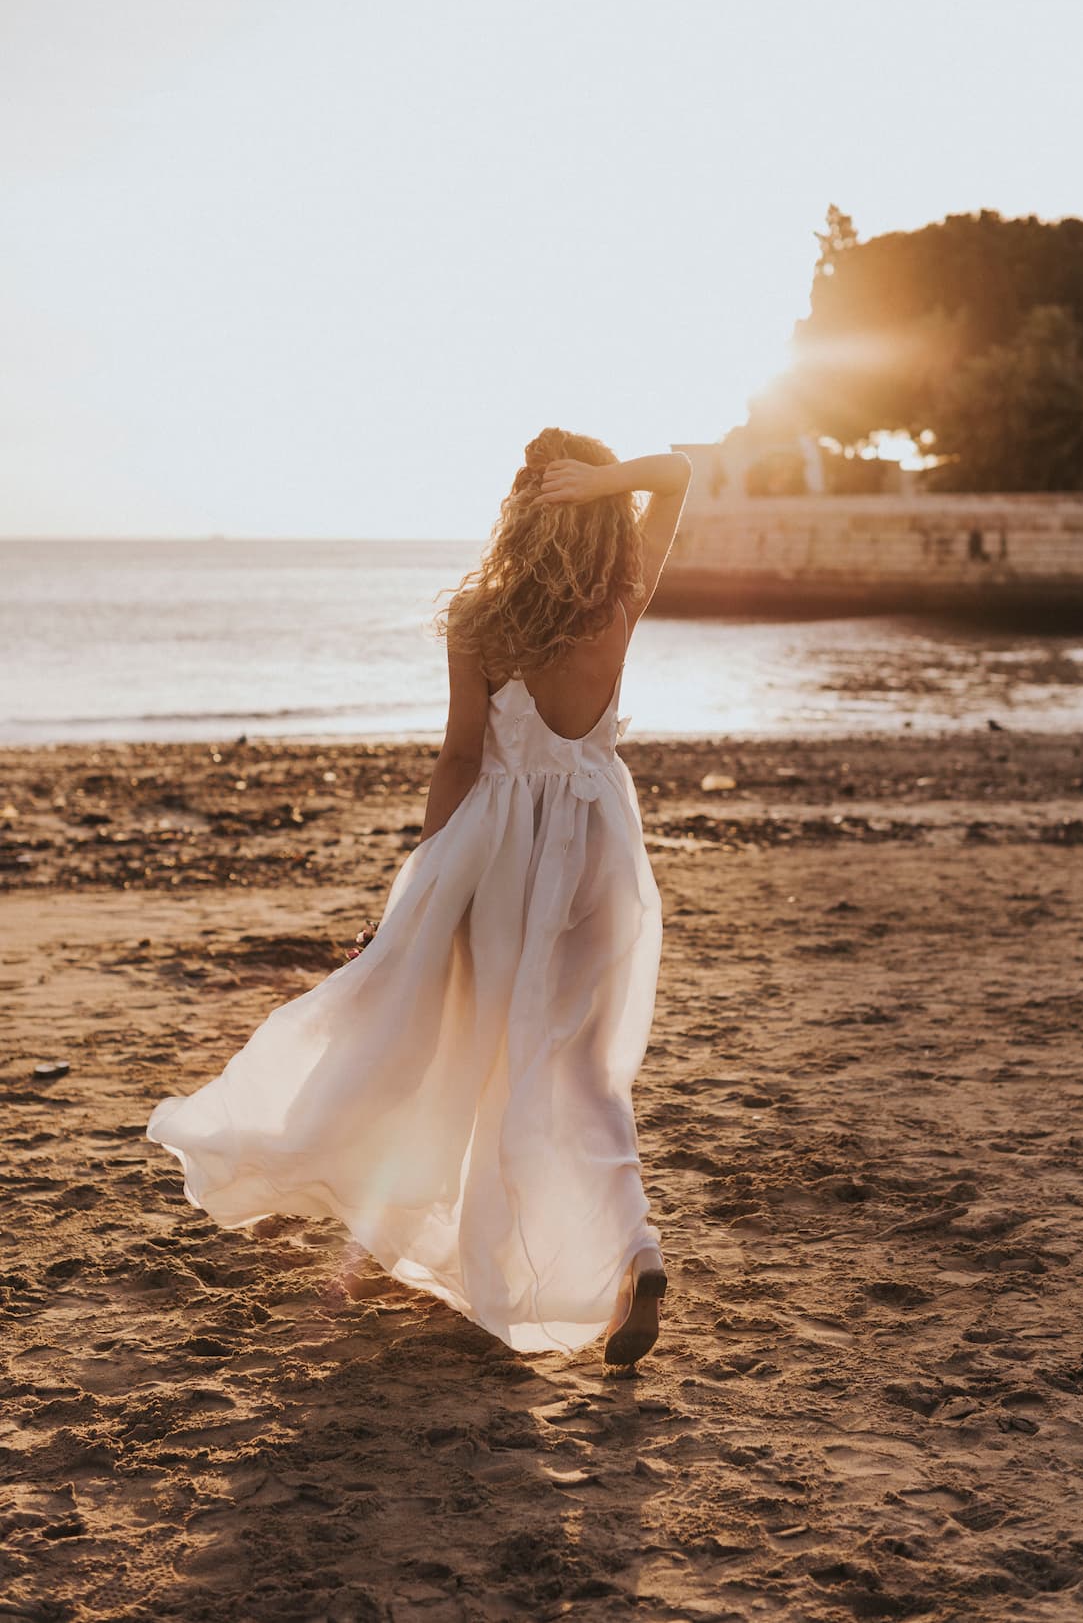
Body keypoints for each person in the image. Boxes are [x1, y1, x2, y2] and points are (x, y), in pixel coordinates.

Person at [146, 427, 693, 1370]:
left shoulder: (483, 618)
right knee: (586, 1066)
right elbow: (682, 472)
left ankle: (489, 1234)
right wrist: (603, 482)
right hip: (599, 843)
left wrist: (422, 887)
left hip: (501, 855)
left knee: (481, 1045)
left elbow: (460, 758)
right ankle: (636, 1250)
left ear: (520, 508)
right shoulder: (620, 599)